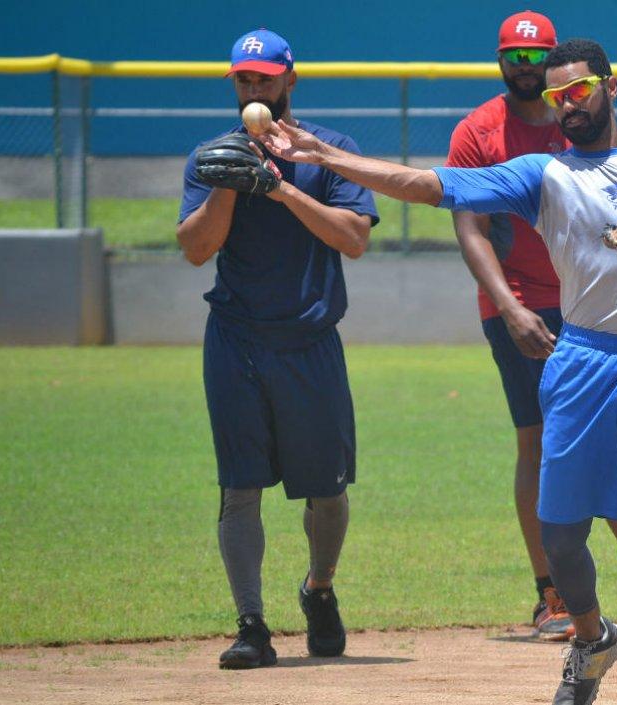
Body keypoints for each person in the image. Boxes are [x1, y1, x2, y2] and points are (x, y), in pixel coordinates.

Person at [260, 36, 617, 705]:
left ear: (612, 87)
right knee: (560, 533)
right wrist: (326, 156)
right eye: (556, 97)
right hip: (581, 357)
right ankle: (592, 637)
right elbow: (430, 185)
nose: (566, 105)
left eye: (578, 90)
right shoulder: (541, 174)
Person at [446, 11, 617, 643]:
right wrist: (509, 308)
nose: (527, 66)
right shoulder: (480, 130)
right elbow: (468, 221)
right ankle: (551, 594)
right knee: (537, 442)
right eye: (515, 55)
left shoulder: (584, 130)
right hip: (521, 304)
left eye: (536, 56)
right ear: (500, 59)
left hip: (600, 304)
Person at [176, 28, 379, 669]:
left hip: (309, 339)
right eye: (244, 78)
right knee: (240, 487)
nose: (254, 87)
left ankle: (319, 589)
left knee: (327, 490)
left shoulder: (330, 151)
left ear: (291, 79)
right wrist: (232, 180)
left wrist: (282, 185)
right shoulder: (211, 158)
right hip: (236, 340)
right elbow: (195, 248)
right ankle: (251, 624)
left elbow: (354, 239)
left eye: (265, 77)